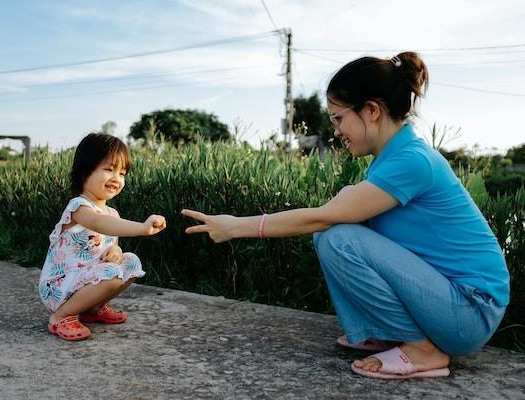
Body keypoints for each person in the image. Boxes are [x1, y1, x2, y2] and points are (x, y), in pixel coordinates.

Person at [181, 52, 509, 379]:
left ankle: (423, 350)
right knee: (333, 232)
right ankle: (384, 331)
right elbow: (343, 212)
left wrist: (236, 226)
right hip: (451, 303)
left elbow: (323, 218)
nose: (336, 130)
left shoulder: (413, 160)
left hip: (469, 310)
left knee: (336, 236)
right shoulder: (393, 159)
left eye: (338, 118)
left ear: (371, 110)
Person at [38, 133, 166, 341]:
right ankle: (60, 316)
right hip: (60, 286)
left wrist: (115, 251)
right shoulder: (79, 207)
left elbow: (112, 242)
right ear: (84, 172)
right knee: (112, 274)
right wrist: (142, 228)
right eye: (108, 169)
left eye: (122, 173)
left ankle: (92, 308)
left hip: (88, 280)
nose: (117, 178)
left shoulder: (112, 213)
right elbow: (99, 224)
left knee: (130, 262)